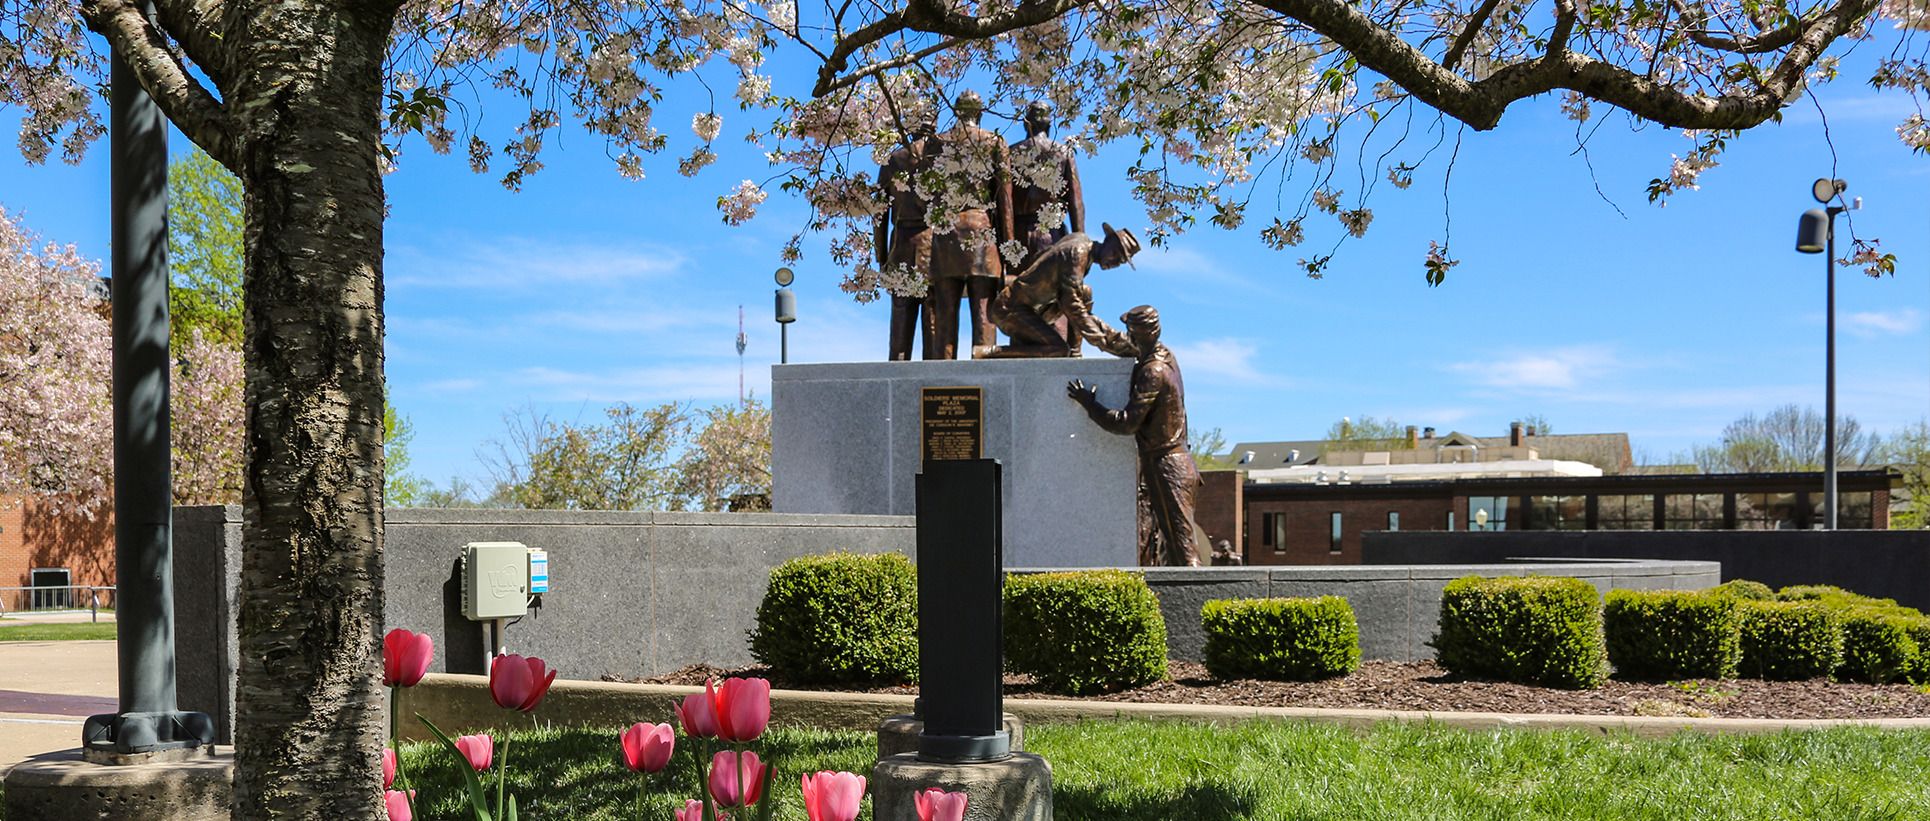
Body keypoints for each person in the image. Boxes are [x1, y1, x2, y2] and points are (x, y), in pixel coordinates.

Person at [1066, 305, 1202, 567]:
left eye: (1130, 331)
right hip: (1171, 462)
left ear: (1140, 333)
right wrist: (1086, 319)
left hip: (1168, 466)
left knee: (1183, 550)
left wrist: (1090, 404)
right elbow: (1118, 344)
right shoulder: (1165, 356)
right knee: (1170, 549)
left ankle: (1194, 606)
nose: (1127, 337)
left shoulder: (1153, 372)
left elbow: (1127, 423)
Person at [923, 90, 1014, 360]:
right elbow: (1004, 197)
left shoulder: (936, 142)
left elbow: (926, 193)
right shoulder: (994, 141)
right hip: (980, 229)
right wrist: (1009, 246)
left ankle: (942, 378)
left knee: (945, 313)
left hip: (945, 230)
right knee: (984, 311)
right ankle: (984, 374)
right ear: (980, 112)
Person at [973, 222, 1139, 359]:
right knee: (1057, 349)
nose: (1115, 262)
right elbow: (1071, 304)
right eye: (1115, 254)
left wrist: (1116, 339)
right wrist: (1103, 342)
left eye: (1121, 261)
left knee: (1085, 292)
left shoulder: (1082, 243)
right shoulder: (1078, 253)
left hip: (1037, 310)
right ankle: (987, 353)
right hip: (1011, 309)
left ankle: (1075, 353)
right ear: (1107, 240)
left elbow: (1077, 304)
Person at [874, 111, 937, 360]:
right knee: (933, 317)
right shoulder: (940, 160)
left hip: (900, 242)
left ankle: (897, 378)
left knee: (900, 318)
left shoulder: (893, 160)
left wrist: (881, 255)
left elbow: (879, 214)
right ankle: (936, 382)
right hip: (933, 243)